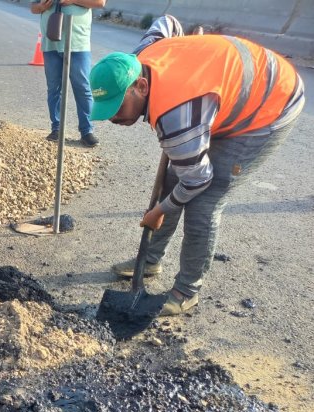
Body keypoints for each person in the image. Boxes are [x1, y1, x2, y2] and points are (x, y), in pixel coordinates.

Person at [90, 28, 305, 315]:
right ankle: (150, 260)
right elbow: (165, 23)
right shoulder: (138, 56)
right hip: (220, 96)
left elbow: (198, 179)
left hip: (269, 104)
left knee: (203, 203)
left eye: (118, 106)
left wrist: (158, 211)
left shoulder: (177, 119)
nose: (113, 117)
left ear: (141, 86)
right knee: (172, 180)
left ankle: (186, 291)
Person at [30, 0, 105, 147]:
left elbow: (100, 2)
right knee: (54, 88)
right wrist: (41, 7)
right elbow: (33, 7)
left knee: (82, 88)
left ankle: (86, 131)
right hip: (51, 43)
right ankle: (56, 129)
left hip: (78, 43)